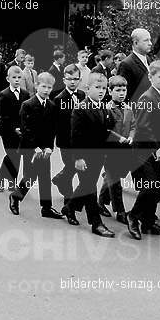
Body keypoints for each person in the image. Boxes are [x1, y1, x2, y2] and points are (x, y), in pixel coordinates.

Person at [126, 61, 160, 241]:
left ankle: (148, 221)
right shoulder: (147, 98)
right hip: (144, 150)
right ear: (151, 77)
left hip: (157, 149)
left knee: (155, 187)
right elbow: (144, 128)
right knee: (151, 186)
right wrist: (156, 150)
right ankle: (132, 216)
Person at [62, 73, 115, 237]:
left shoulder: (104, 107)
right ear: (87, 88)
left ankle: (69, 208)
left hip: (98, 156)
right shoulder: (80, 109)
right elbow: (75, 135)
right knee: (90, 188)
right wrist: (78, 158)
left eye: (104, 88)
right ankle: (96, 223)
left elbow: (107, 130)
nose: (101, 91)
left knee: (86, 185)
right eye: (97, 87)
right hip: (83, 156)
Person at [9, 72, 63, 220]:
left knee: (45, 176)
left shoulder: (52, 106)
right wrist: (35, 147)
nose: (46, 90)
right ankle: (15, 197)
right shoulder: (28, 105)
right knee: (31, 176)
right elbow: (26, 129)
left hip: (44, 149)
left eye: (49, 87)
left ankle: (46, 208)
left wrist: (49, 147)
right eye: (43, 86)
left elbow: (52, 129)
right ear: (36, 86)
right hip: (30, 147)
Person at [97, 75, 135, 225]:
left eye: (124, 90)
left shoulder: (128, 108)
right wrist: (118, 137)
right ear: (110, 91)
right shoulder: (106, 108)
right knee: (116, 181)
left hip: (125, 149)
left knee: (114, 176)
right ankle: (120, 210)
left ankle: (101, 200)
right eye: (118, 90)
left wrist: (131, 137)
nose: (121, 93)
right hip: (110, 150)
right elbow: (105, 129)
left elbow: (133, 126)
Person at [51, 64, 85, 206]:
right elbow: (55, 124)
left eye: (75, 79)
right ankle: (68, 201)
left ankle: (60, 179)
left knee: (73, 168)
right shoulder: (59, 99)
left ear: (80, 80)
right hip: (65, 141)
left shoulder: (82, 95)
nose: (72, 82)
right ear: (64, 80)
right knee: (72, 166)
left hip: (79, 140)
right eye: (69, 79)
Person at [0, 66, 30, 191]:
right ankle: (3, 177)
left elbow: (27, 113)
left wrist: (24, 127)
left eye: (19, 77)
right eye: (14, 77)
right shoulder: (4, 94)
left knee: (17, 155)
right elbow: (4, 115)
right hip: (8, 130)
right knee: (11, 155)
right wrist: (14, 127)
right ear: (8, 79)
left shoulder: (26, 94)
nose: (16, 80)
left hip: (22, 130)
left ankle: (10, 181)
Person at [118, 28, 152, 103]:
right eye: (146, 40)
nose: (150, 43)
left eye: (150, 40)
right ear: (136, 43)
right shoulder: (126, 64)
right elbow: (123, 94)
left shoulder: (149, 60)